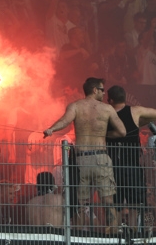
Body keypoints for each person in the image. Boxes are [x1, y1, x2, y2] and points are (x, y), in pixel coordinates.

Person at [43, 77, 126, 230]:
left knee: (81, 202)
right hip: (101, 157)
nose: (103, 93)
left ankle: (80, 237)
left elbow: (64, 121)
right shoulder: (107, 109)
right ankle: (113, 234)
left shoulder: (75, 106)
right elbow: (122, 131)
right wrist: (103, 136)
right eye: (102, 90)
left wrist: (51, 129)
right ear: (95, 90)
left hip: (82, 160)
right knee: (107, 199)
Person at [106, 85, 156, 231]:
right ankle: (133, 233)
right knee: (135, 204)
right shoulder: (134, 111)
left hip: (113, 167)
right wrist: (137, 123)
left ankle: (115, 236)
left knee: (115, 204)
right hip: (132, 166)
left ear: (110, 99)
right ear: (124, 97)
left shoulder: (107, 113)